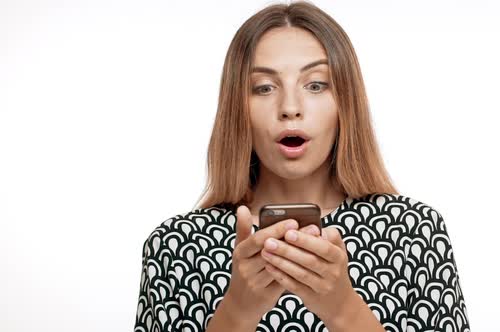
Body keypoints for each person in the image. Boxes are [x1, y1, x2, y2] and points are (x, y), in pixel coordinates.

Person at [133, 1, 470, 331]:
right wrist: (237, 312)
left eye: (315, 84)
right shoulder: (174, 246)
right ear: (237, 108)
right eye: (263, 88)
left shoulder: (412, 233)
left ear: (345, 103)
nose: (290, 107)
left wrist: (343, 311)